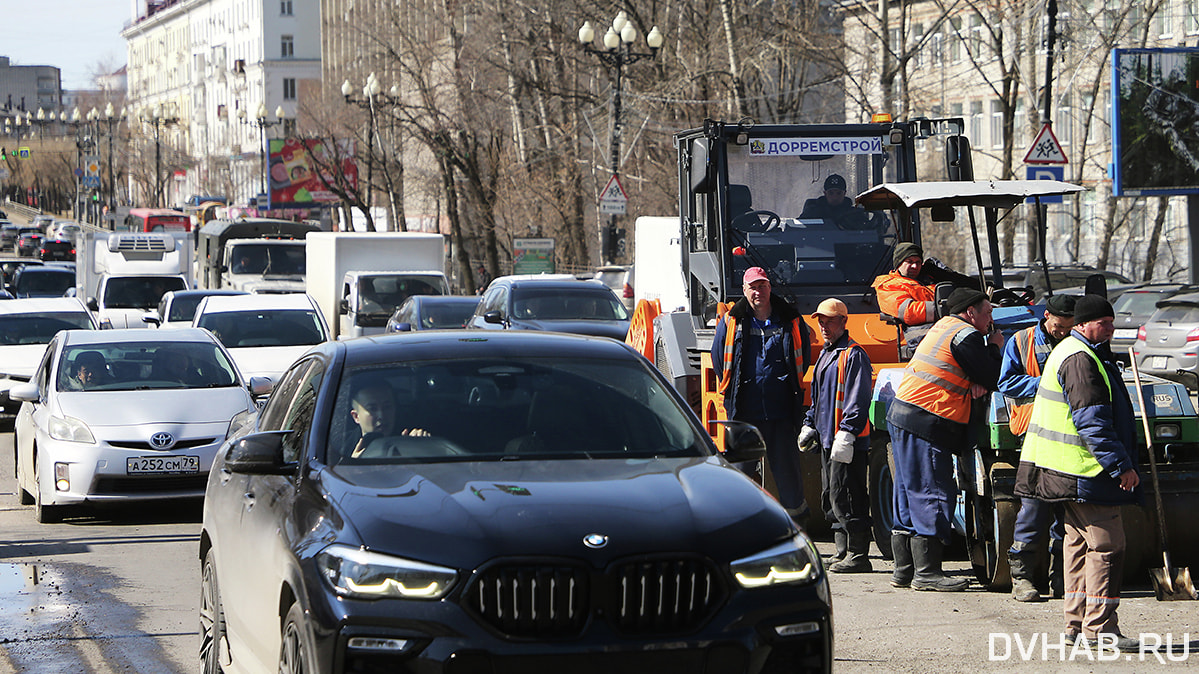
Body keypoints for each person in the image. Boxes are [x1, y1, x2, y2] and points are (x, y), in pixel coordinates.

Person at [1014, 295, 1141, 651]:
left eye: (1112, 323)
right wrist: (1122, 466)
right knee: (1108, 546)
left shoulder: (1072, 350)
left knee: (1078, 545)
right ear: (1083, 324)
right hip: (1084, 471)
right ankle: (1100, 629)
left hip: (1061, 469)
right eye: (1105, 323)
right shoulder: (1081, 360)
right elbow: (1092, 422)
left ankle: (1075, 624)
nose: (1111, 329)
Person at [886, 287, 1004, 591]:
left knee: (908, 490)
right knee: (932, 490)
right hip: (928, 418)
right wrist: (994, 347)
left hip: (906, 414)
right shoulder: (966, 334)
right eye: (987, 312)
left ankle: (905, 570)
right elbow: (992, 375)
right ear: (970, 312)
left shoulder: (944, 327)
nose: (991, 318)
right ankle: (927, 573)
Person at [711, 266, 814, 525]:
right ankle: (738, 528)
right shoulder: (732, 321)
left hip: (781, 411)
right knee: (741, 475)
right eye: (753, 287)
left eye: (762, 286)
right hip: (746, 412)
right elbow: (718, 359)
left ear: (770, 288)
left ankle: (797, 529)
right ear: (744, 291)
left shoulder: (790, 320)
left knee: (788, 474)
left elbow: (803, 357)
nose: (758, 292)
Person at [998, 294, 1076, 602]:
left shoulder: (1077, 342)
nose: (1063, 332)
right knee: (1033, 508)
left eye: (1069, 327)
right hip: (1034, 436)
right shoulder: (1020, 341)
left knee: (1067, 511)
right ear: (1047, 317)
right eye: (1059, 326)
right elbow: (1007, 383)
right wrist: (1045, 384)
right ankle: (1023, 578)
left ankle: (1063, 579)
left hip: (1070, 438)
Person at [801, 298, 873, 572]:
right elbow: (818, 398)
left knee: (850, 495)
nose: (824, 326)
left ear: (844, 321)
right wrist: (810, 422)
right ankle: (843, 549)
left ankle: (857, 555)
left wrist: (849, 432)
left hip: (846, 441)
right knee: (831, 494)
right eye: (821, 321)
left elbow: (858, 398)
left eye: (830, 320)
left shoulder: (853, 355)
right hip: (829, 439)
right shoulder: (826, 354)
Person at [348, 380, 428, 458]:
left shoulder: (409, 439)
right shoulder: (341, 448)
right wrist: (351, 464)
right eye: (372, 409)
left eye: (387, 407)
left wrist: (421, 447)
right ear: (356, 416)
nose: (381, 415)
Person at [799, 174, 878, 229]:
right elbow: (798, 229)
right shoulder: (812, 213)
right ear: (825, 193)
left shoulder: (855, 215)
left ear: (845, 193)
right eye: (831, 193)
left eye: (839, 193)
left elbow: (866, 233)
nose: (835, 197)